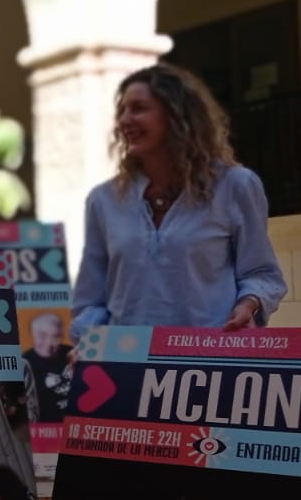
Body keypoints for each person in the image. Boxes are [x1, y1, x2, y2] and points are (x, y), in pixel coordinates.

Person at [72, 62, 287, 337]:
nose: (125, 120)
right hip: (127, 365)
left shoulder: (235, 186)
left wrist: (249, 304)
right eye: (122, 110)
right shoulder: (103, 200)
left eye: (138, 108)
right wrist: (88, 341)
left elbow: (261, 273)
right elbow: (92, 299)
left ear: (176, 115)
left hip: (208, 362)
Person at [21, 313, 73, 425]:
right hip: (47, 433)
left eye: (55, 337)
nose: (49, 343)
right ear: (33, 336)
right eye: (42, 336)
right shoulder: (24, 365)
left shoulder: (73, 354)